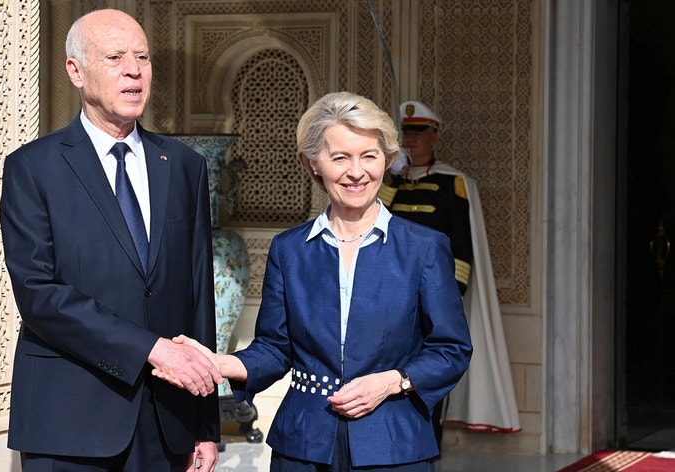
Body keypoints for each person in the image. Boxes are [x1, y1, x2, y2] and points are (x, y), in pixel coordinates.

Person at [157, 91, 473, 471]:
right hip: (303, 446)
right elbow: (275, 349)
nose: (356, 172)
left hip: (394, 447)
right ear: (313, 164)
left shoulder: (424, 247)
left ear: (387, 160)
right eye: (340, 157)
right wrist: (219, 363)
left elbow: (451, 349)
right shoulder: (289, 249)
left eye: (369, 156)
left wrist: (393, 381)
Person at [0, 9, 222, 472]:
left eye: (142, 57)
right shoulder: (33, 168)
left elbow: (199, 294)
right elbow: (39, 295)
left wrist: (204, 423)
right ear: (76, 71)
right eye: (115, 57)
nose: (134, 71)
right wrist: (151, 349)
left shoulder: (184, 166)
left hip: (168, 420)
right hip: (69, 422)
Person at [379, 101, 521, 439]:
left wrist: (452, 293)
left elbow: (461, 242)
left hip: (432, 290)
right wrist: (392, 177)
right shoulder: (392, 181)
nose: (411, 140)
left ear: (434, 137)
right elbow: (372, 218)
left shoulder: (452, 182)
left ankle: (430, 437)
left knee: (428, 366)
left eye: (418, 133)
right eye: (407, 133)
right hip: (389, 290)